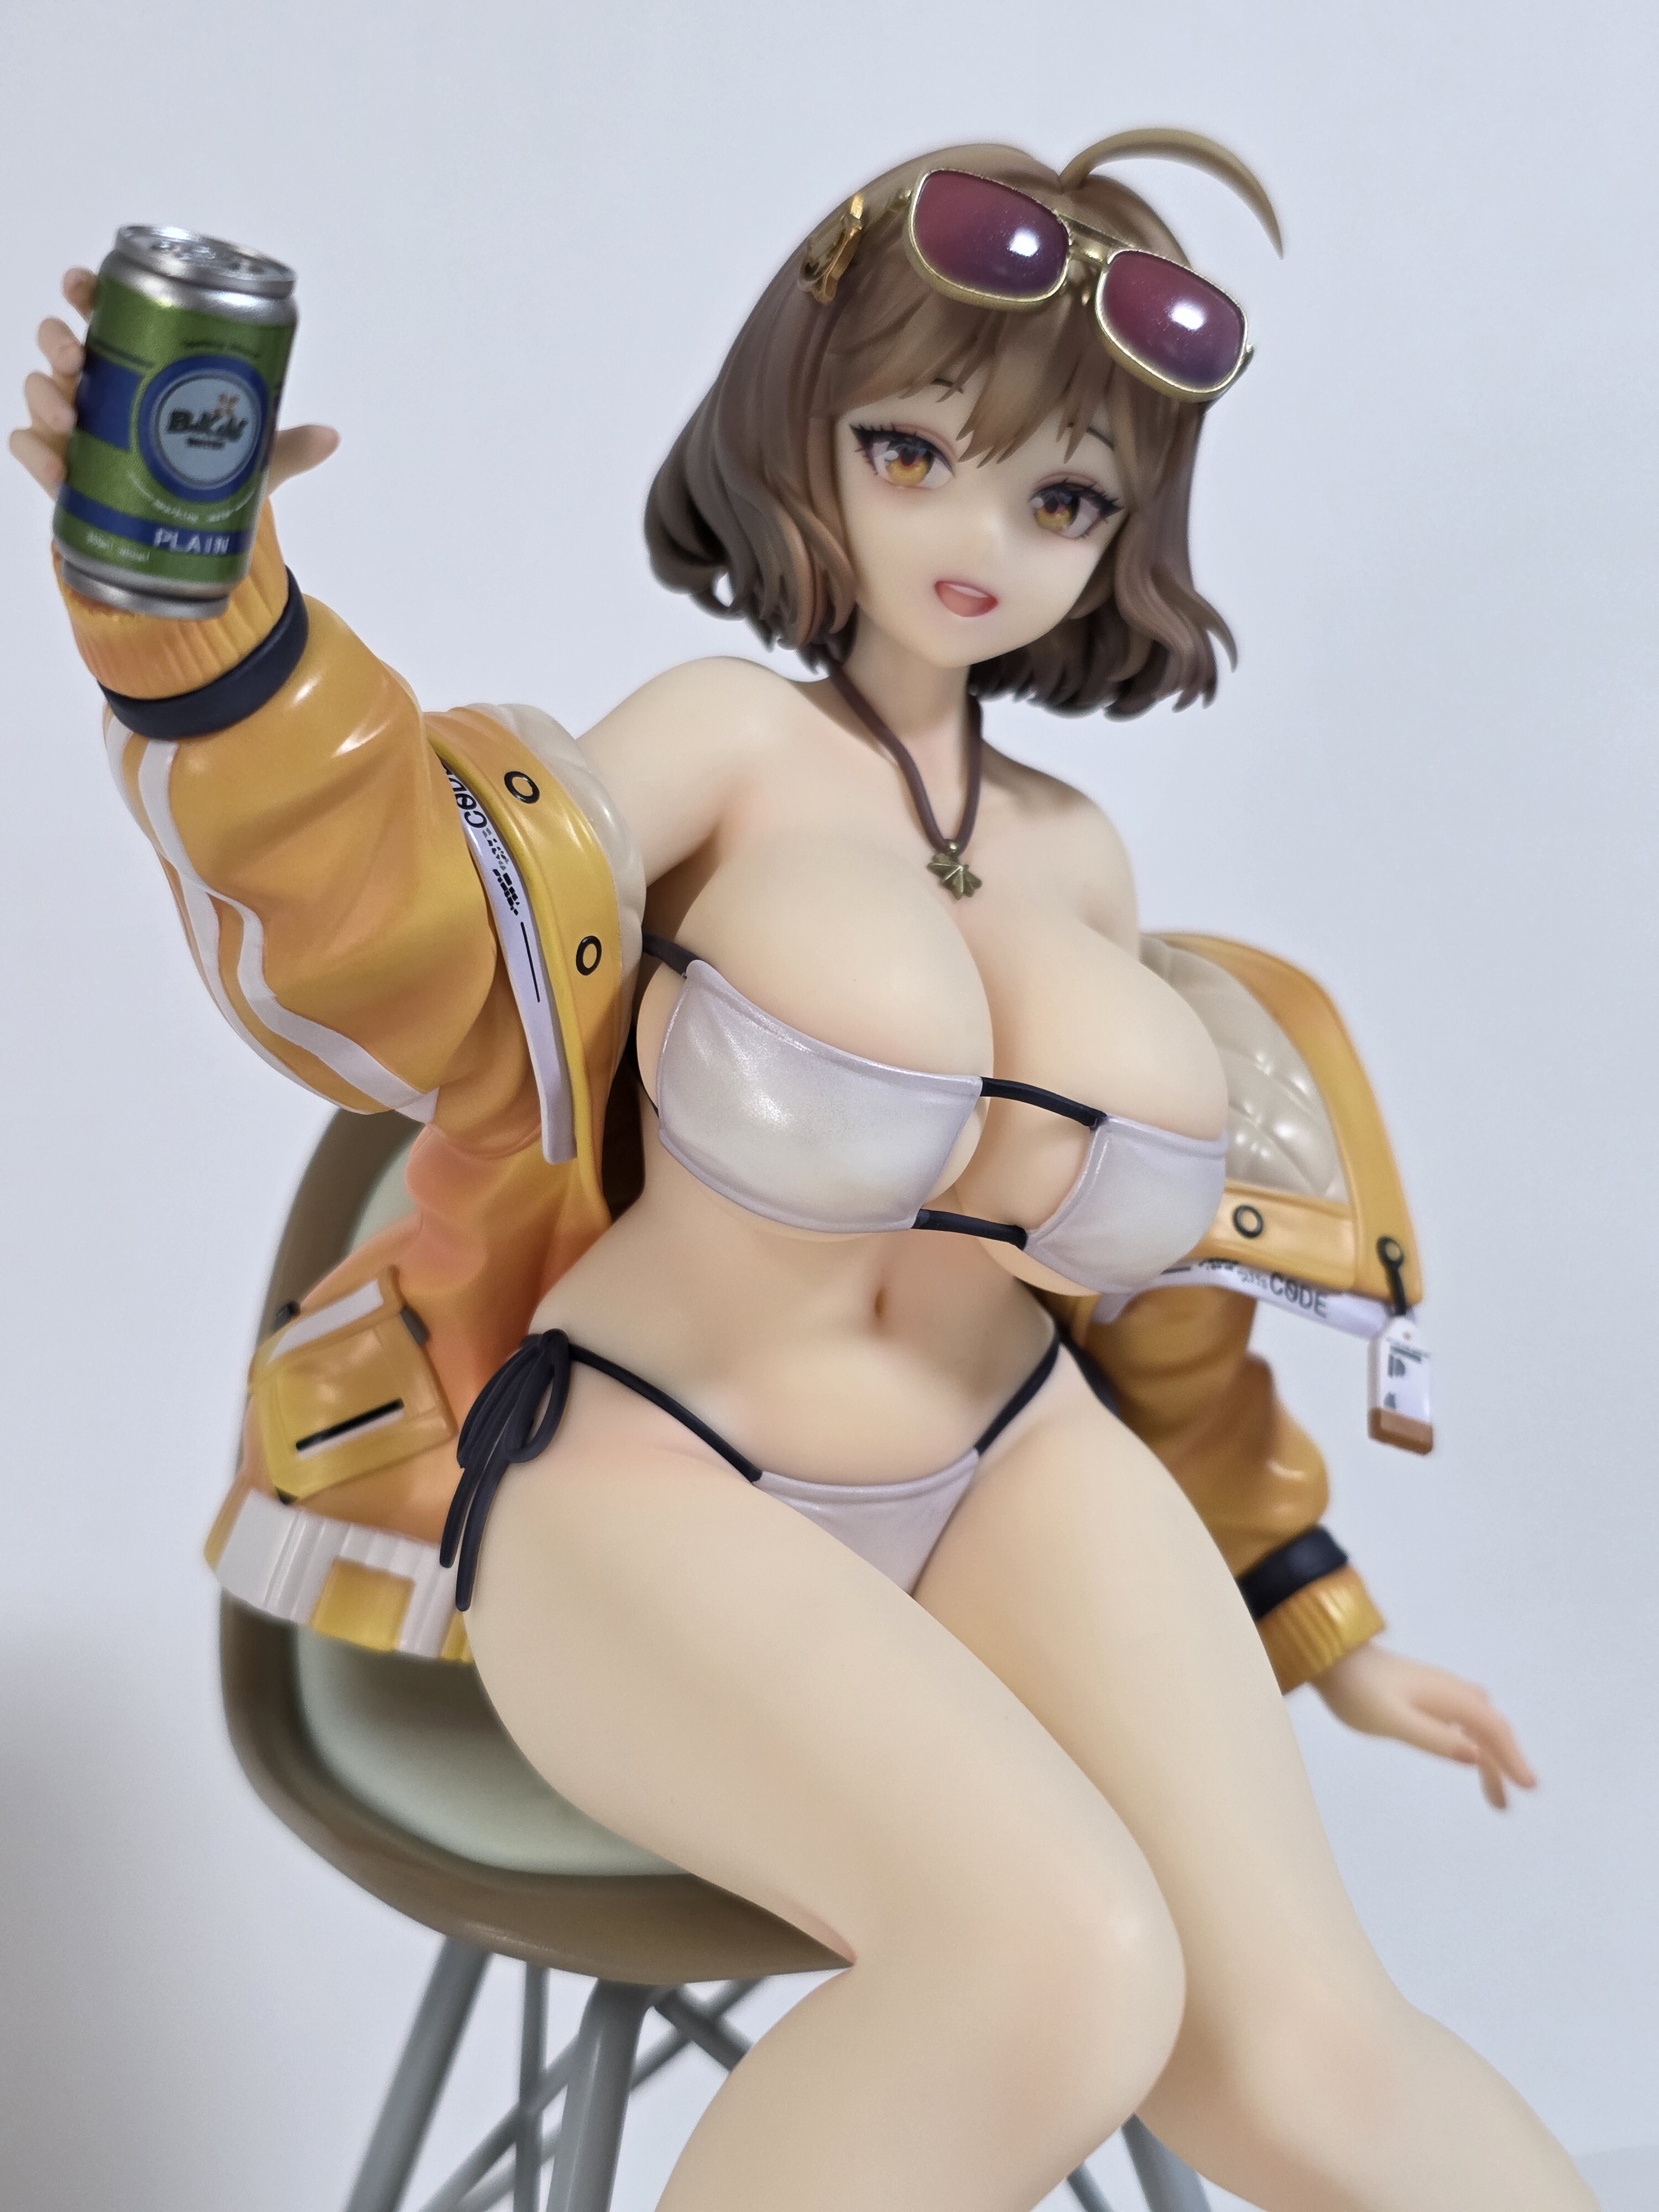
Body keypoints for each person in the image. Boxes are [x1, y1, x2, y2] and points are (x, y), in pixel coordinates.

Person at [14, 134, 1589, 2210]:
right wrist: (213, 637)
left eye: (1063, 499)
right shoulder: (726, 745)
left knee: (1307, 2056)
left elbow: (1156, 1321)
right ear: (802, 433)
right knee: (1056, 1967)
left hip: (1009, 1462)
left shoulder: (1081, 857)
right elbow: (425, 920)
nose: (979, 537)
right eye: (912, 450)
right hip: (658, 1472)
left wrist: (1321, 1620)